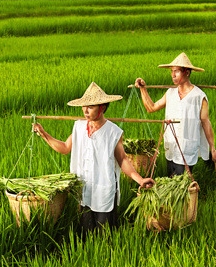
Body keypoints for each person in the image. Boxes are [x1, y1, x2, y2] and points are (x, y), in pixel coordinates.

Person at [31, 82, 155, 235]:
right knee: (86, 232)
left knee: (105, 233)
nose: (85, 110)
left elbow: (122, 159)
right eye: (84, 106)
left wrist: (140, 180)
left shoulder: (113, 132)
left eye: (90, 106)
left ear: (102, 108)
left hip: (104, 188)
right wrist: (43, 133)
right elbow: (64, 148)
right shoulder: (78, 127)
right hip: (84, 188)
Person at [134, 52, 216, 176]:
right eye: (171, 71)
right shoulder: (170, 93)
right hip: (170, 145)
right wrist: (143, 89)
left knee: (181, 182)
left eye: (176, 71)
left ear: (186, 72)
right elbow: (151, 108)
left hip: (187, 147)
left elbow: (205, 122)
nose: (173, 75)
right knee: (171, 181)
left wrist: (212, 148)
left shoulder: (199, 96)